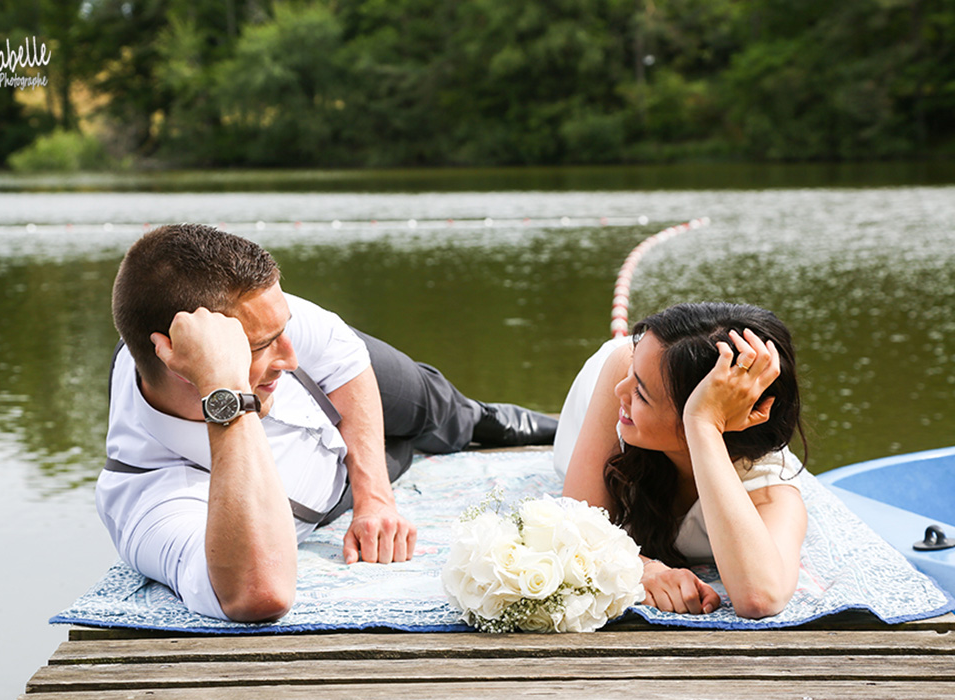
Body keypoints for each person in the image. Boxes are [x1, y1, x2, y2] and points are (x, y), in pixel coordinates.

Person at [96, 223, 557, 622]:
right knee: (414, 449)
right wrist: (227, 394)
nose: (292, 358)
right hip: (331, 490)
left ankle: (486, 419)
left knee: (440, 414)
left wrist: (376, 501)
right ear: (183, 357)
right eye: (264, 345)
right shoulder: (145, 497)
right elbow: (261, 592)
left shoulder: (250, 310)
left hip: (342, 385)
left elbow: (340, 355)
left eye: (285, 331)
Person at [555, 302, 807, 619]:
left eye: (642, 394)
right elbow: (574, 529)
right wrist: (639, 568)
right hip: (597, 401)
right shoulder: (622, 371)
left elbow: (760, 598)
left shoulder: (769, 481)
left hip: (673, 390)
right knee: (622, 359)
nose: (623, 389)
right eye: (632, 376)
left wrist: (702, 424)